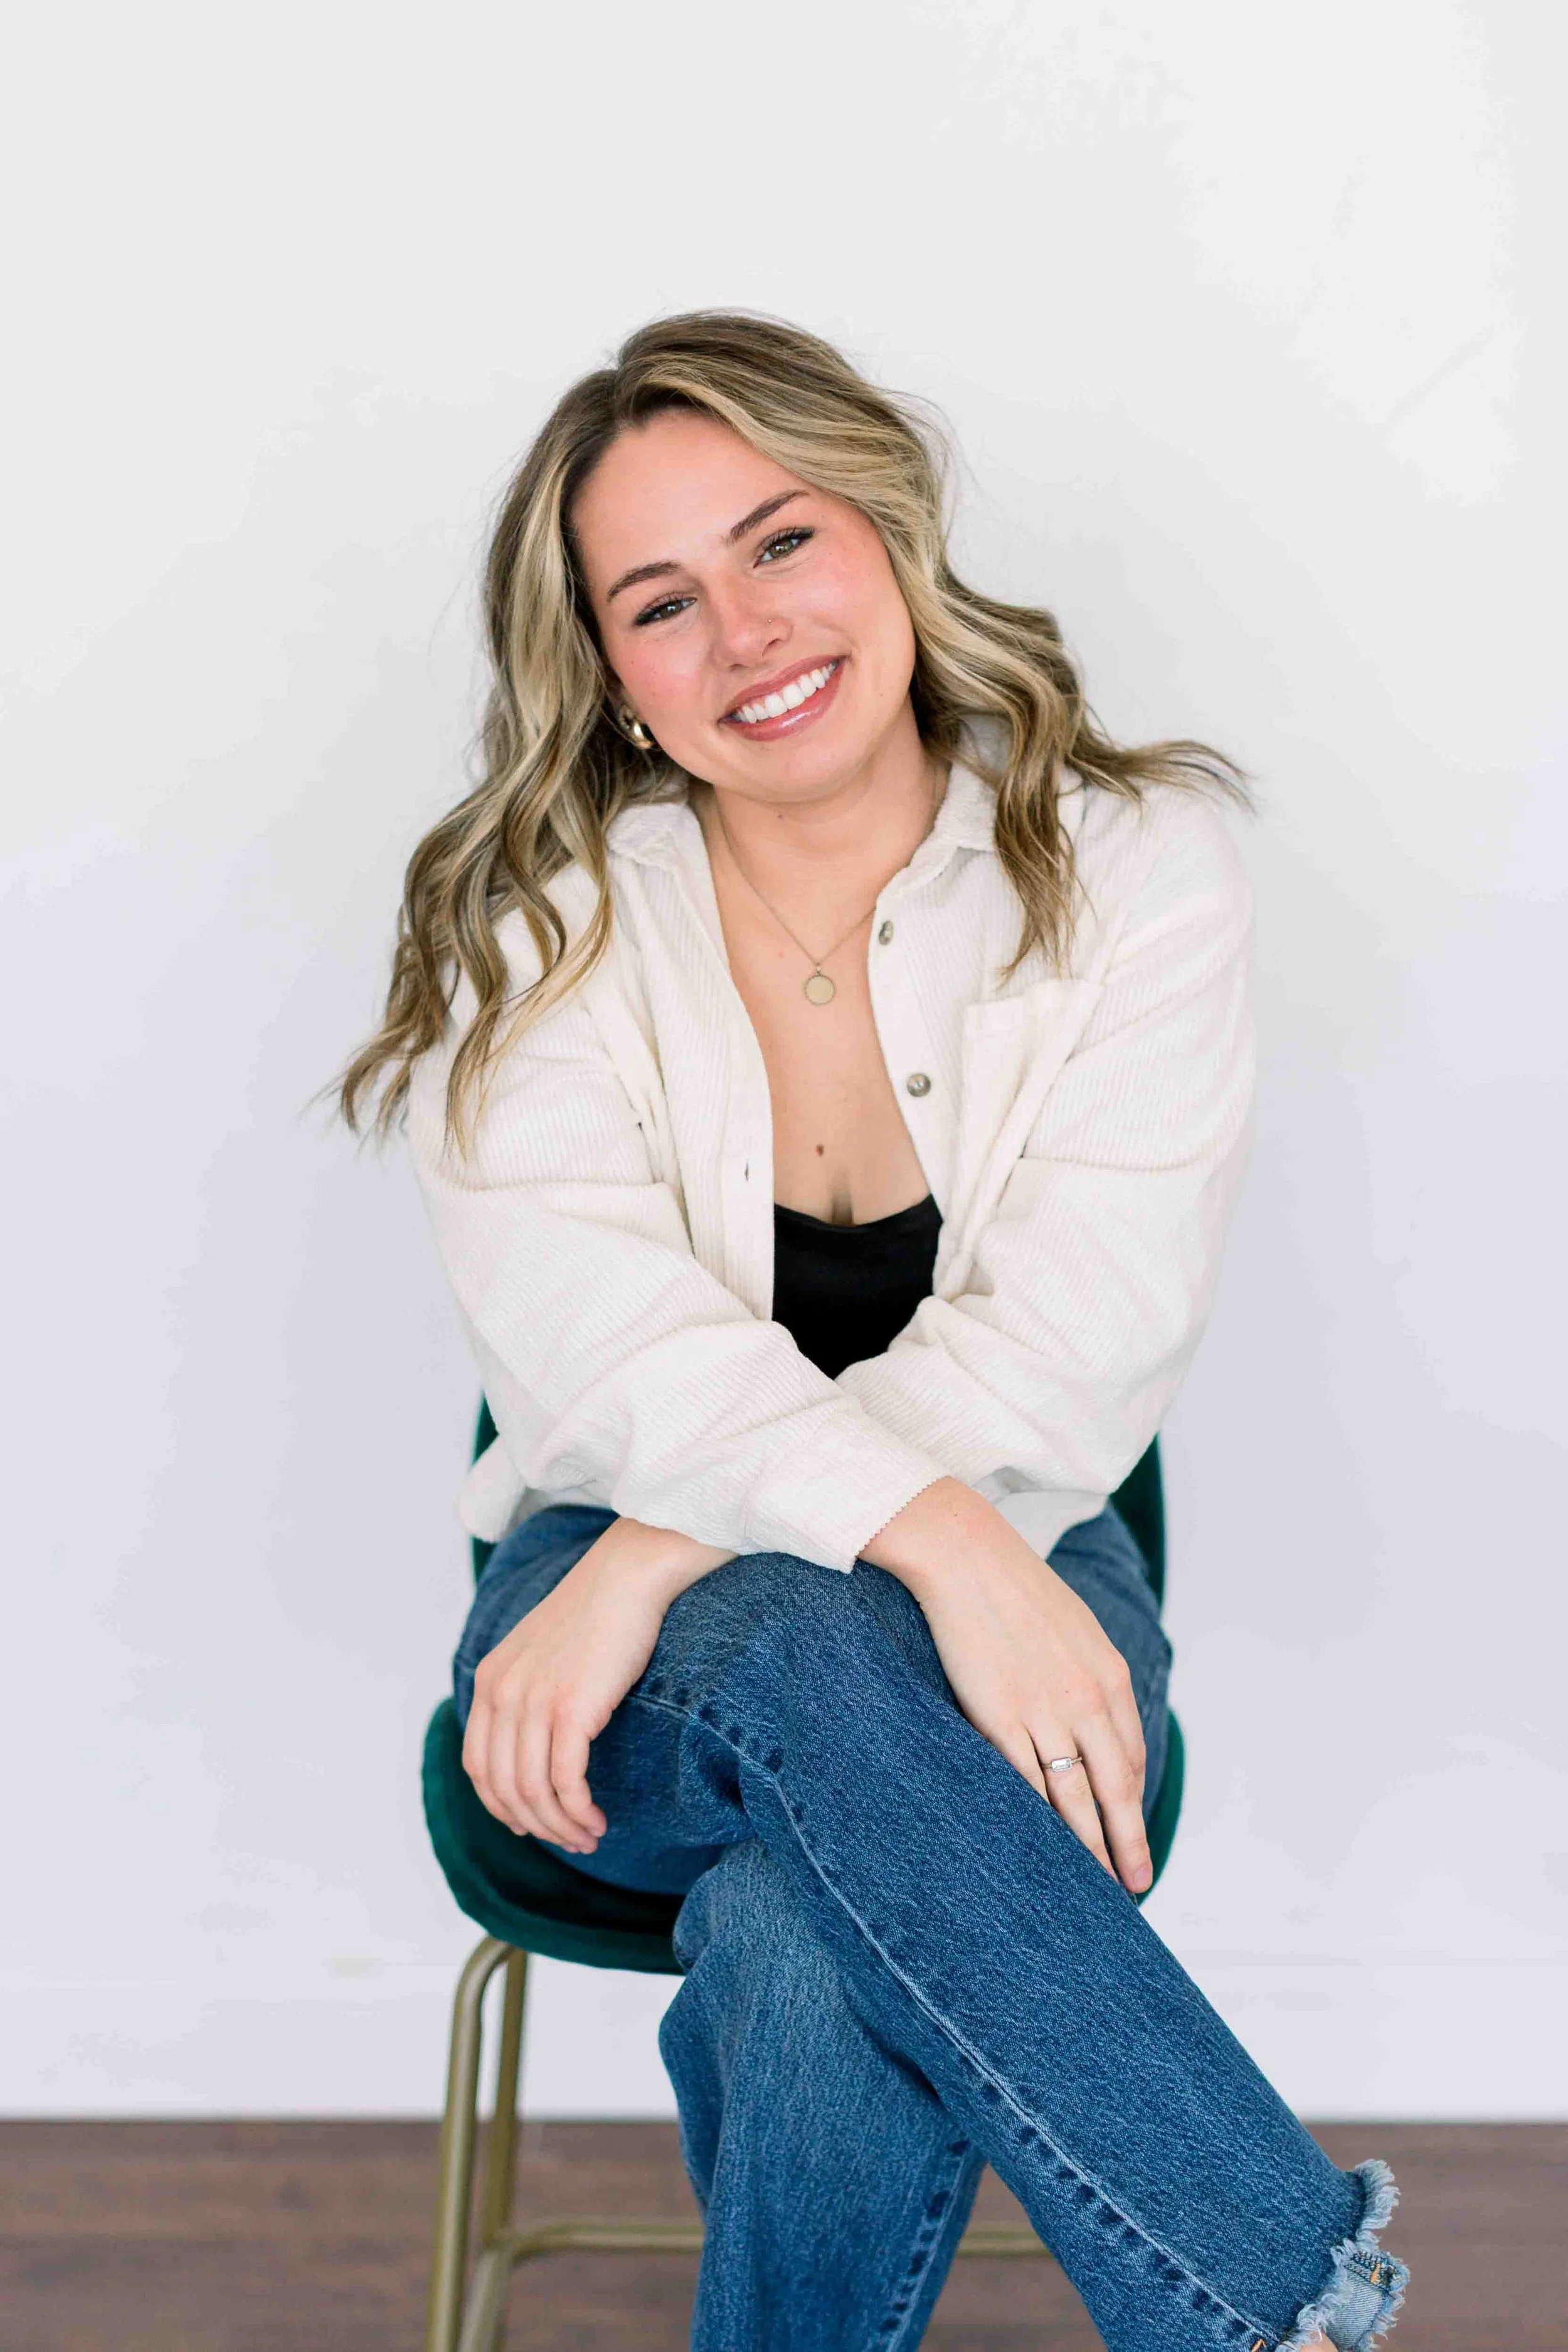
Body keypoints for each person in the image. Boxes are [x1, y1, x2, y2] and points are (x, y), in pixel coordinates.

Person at [336, 312, 1409, 2351]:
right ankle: (1272, 2295)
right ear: (614, 677)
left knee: (799, 1937)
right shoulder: (537, 926)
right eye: (661, 600)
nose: (745, 630)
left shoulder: (1133, 871)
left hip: (982, 1566)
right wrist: (922, 1549)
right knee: (814, 1645)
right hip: (618, 1659)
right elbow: (604, 1352)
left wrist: (691, 1548)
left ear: (887, 536)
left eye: (781, 541)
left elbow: (1084, 1333)